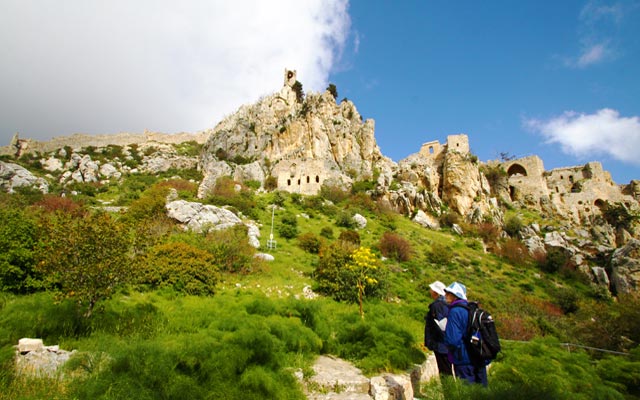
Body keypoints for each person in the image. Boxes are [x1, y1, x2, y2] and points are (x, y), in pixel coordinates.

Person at [443, 281, 488, 386]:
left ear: (455, 296)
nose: (445, 295)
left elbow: (452, 339)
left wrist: (451, 351)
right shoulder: (472, 309)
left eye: (448, 293)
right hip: (479, 356)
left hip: (463, 359)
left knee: (467, 392)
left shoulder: (455, 311)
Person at [424, 280, 452, 376]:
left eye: (431, 290)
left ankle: (449, 390)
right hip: (445, 343)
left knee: (444, 371)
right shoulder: (445, 303)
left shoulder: (437, 306)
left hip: (441, 344)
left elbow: (440, 325)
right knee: (446, 369)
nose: (430, 291)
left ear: (435, 292)